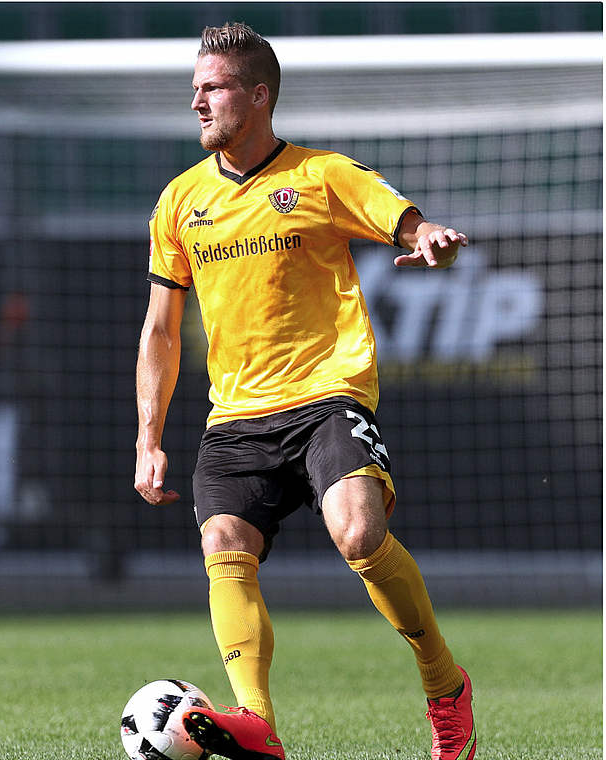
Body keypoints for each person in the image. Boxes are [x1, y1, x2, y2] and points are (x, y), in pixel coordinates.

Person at [134, 23, 475, 760]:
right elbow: (160, 329)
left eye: (213, 87)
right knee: (223, 542)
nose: (196, 101)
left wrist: (424, 236)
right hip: (236, 417)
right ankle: (256, 722)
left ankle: (444, 684)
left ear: (257, 96)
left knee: (357, 532)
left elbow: (402, 218)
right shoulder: (179, 202)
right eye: (194, 87)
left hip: (327, 395)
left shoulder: (319, 174)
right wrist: (148, 438)